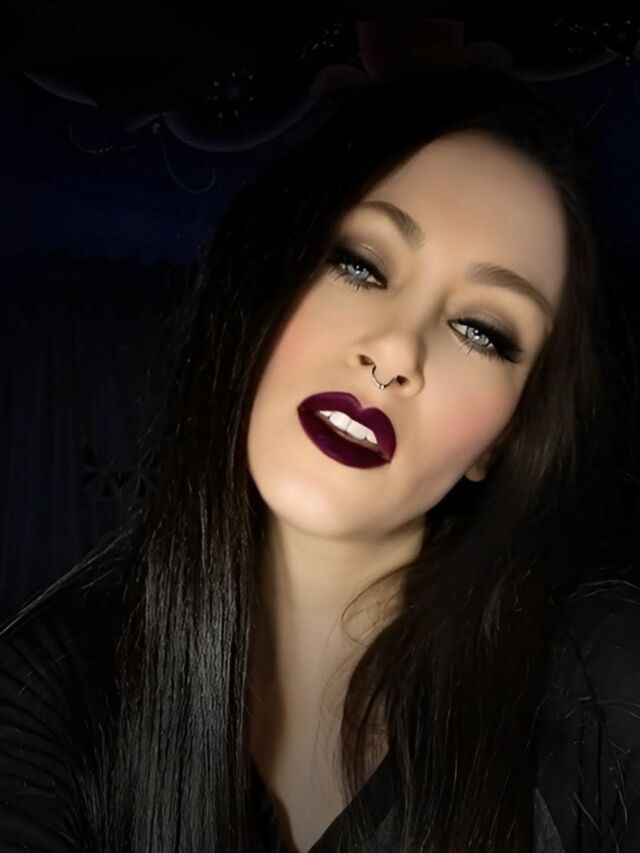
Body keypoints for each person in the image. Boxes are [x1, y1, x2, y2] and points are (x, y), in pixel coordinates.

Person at [0, 65, 638, 853]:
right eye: (361, 263)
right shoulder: (50, 691)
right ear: (267, 281)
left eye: (482, 331)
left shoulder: (605, 687)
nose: (395, 353)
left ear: (503, 439)